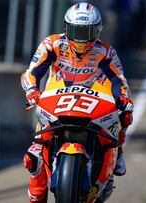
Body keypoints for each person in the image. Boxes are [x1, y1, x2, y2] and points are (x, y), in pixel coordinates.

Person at [20, 3, 133, 203]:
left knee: (125, 113)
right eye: (76, 30)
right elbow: (32, 72)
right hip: (56, 101)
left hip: (95, 100)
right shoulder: (52, 44)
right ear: (66, 28)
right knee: (33, 156)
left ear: (97, 31)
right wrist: (32, 91)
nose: (81, 38)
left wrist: (122, 99)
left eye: (86, 31)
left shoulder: (106, 52)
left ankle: (119, 152)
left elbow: (119, 80)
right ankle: (37, 196)